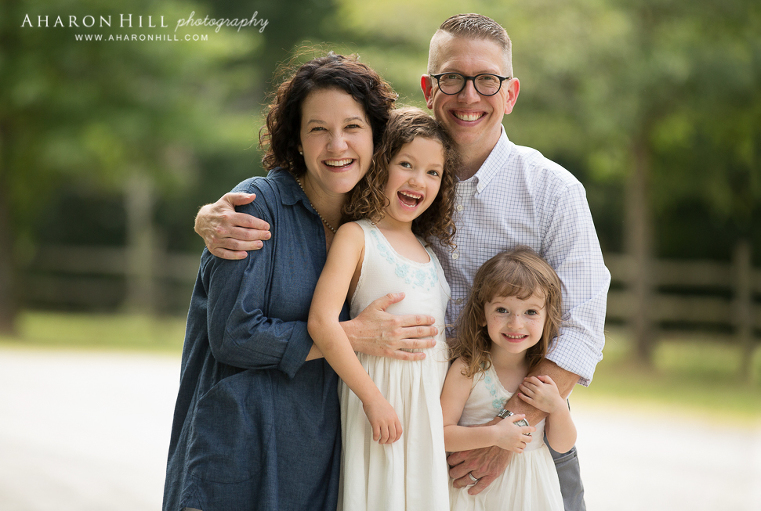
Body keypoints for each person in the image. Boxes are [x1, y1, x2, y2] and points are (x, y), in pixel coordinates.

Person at [192, 13, 610, 511]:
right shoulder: (387, 182)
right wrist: (208, 216)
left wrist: (506, 432)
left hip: (522, 438)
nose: (469, 95)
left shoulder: (552, 191)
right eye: (451, 78)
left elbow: (582, 328)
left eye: (487, 80)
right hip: (410, 424)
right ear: (428, 89)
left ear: (511, 93)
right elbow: (323, 165)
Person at [162, 53, 444, 511]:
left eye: (352, 127)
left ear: (377, 136)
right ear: (296, 138)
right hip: (235, 456)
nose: (337, 145)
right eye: (318, 129)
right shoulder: (257, 207)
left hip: (317, 463)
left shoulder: (370, 228)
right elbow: (233, 335)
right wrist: (350, 335)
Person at [307, 107, 458, 510]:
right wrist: (373, 400)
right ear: (380, 165)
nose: (418, 180)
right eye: (405, 164)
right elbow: (322, 322)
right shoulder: (357, 236)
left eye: (432, 172)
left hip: (425, 413)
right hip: (377, 401)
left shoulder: (430, 253)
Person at [441, 247, 577, 510]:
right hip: (476, 494)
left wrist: (558, 407)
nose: (516, 323)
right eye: (502, 310)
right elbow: (441, 434)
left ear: (547, 317)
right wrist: (494, 435)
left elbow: (562, 445)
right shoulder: (468, 369)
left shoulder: (544, 373)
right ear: (482, 314)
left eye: (531, 312)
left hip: (531, 490)